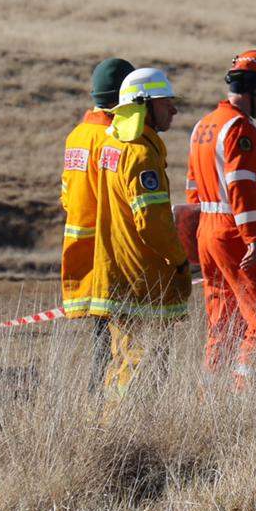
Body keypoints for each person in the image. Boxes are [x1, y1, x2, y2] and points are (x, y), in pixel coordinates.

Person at [88, 67, 192, 415]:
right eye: (167, 103)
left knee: (121, 360)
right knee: (140, 363)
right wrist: (179, 261)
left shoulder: (113, 145)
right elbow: (152, 223)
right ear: (145, 106)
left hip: (115, 273)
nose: (174, 110)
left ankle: (105, 425)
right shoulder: (141, 155)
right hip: (140, 279)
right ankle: (117, 429)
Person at [186, 49, 256, 389]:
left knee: (221, 320)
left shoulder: (204, 125)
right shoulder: (240, 127)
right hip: (235, 234)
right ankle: (244, 394)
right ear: (255, 90)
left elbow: (192, 187)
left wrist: (198, 231)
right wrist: (254, 238)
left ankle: (210, 396)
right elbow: (241, 184)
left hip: (208, 231)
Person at [61, 56, 133, 374]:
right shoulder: (111, 138)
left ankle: (95, 402)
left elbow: (67, 196)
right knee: (120, 347)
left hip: (81, 249)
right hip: (109, 251)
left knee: (100, 342)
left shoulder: (76, 135)